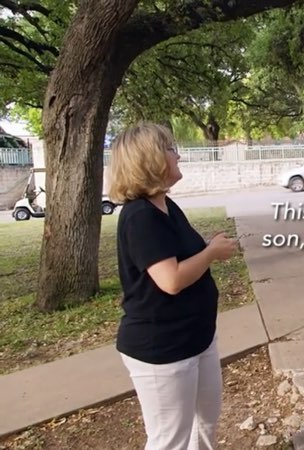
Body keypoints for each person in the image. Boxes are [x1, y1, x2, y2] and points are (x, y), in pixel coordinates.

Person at [107, 122, 238, 449]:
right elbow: (171, 280)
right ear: (149, 159)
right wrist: (210, 253)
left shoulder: (165, 206)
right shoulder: (140, 216)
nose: (177, 154)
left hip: (196, 338)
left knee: (205, 421)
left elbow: (177, 256)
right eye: (169, 149)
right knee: (170, 440)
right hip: (162, 348)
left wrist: (207, 248)